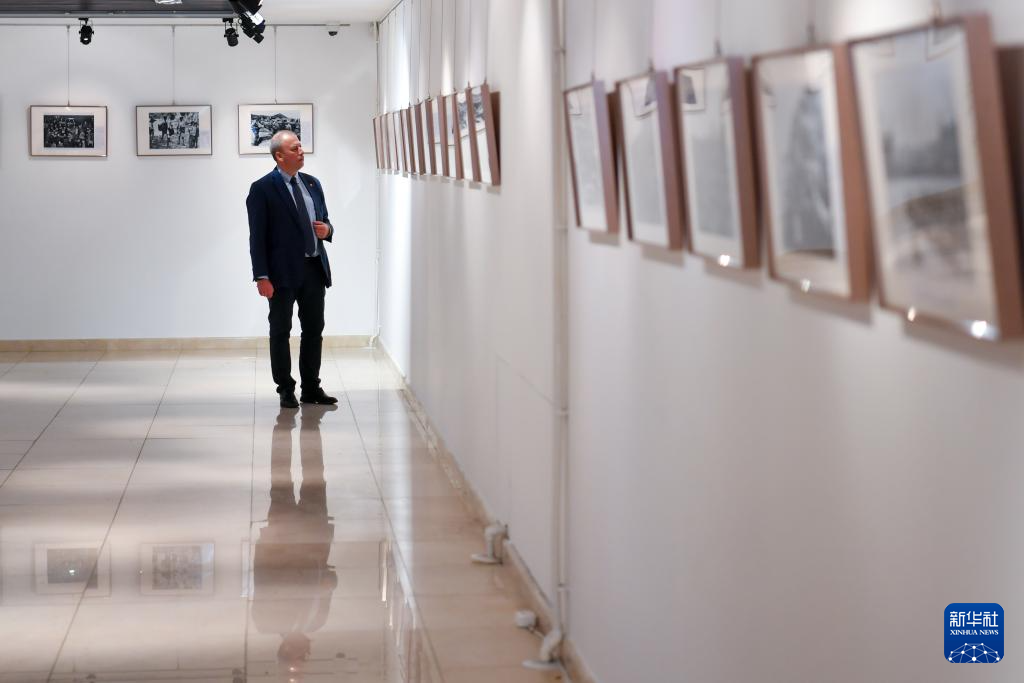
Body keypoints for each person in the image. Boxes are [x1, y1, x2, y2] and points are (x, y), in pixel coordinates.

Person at [247, 130, 338, 408]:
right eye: (295, 148)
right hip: (281, 274)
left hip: (313, 269)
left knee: (313, 329)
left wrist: (327, 230)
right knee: (280, 331)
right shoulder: (262, 188)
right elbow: (257, 237)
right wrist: (261, 276)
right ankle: (285, 388)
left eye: (301, 147)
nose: (301, 152)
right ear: (279, 156)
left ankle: (311, 388)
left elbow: (325, 220)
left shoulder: (312, 184)